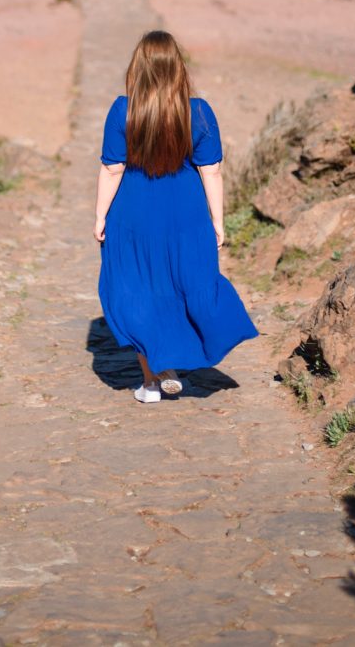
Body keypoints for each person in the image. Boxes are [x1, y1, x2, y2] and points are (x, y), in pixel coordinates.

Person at [94, 29, 258, 403]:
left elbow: (112, 169)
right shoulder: (198, 112)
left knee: (136, 290)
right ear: (179, 70)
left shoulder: (123, 110)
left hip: (134, 214)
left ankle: (152, 381)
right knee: (183, 287)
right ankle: (165, 368)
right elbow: (211, 171)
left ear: (139, 69)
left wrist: (100, 215)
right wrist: (218, 220)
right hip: (186, 214)